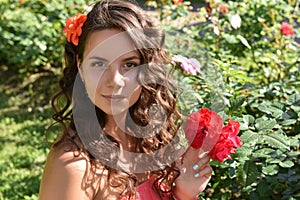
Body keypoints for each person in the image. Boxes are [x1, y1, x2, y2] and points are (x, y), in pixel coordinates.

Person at [39, 0, 212, 199]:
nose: (114, 81)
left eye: (129, 64)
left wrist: (183, 194)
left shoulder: (152, 139)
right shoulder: (74, 167)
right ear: (80, 66)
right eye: (98, 63)